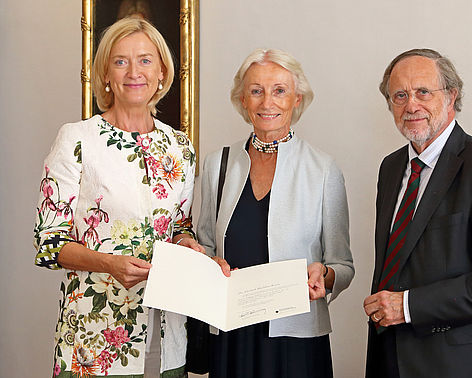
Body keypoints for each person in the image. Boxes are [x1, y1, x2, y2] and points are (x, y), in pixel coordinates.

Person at [33, 17, 203, 377]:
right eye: (120, 61)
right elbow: (49, 244)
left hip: (167, 328)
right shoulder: (77, 140)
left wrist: (188, 243)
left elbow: (179, 225)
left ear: (162, 72)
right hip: (94, 337)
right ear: (106, 74)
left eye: (145, 60)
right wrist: (109, 264)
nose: (133, 72)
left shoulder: (180, 147)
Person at [363, 48, 472, 378]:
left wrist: (409, 306)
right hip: (388, 356)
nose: (411, 105)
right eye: (400, 95)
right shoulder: (391, 167)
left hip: (457, 365)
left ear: (452, 95)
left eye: (423, 92)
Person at [197, 48, 355, 378]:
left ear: (297, 99)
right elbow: (206, 247)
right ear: (243, 100)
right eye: (256, 91)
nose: (267, 102)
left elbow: (342, 264)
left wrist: (323, 276)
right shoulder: (217, 165)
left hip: (295, 339)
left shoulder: (323, 169)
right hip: (232, 333)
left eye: (279, 91)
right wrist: (209, 265)